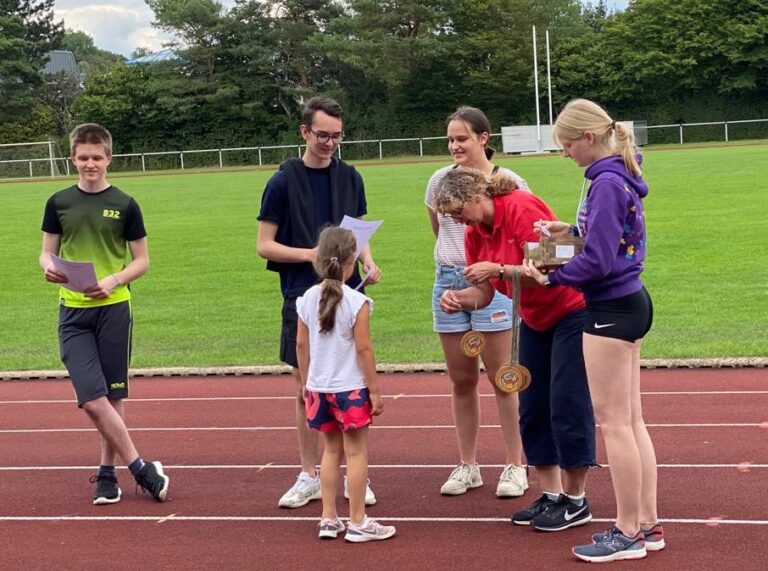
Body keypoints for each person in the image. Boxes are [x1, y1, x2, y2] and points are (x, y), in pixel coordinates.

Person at [523, 98, 659, 562]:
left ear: (586, 138)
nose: (564, 153)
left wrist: (551, 275)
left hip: (609, 309)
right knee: (632, 421)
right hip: (631, 300)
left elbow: (598, 260)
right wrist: (570, 229)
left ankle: (626, 532)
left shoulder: (604, 182)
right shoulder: (618, 176)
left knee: (616, 424)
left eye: (565, 144)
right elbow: (608, 243)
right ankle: (647, 524)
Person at [434, 167, 596, 532]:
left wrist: (501, 268)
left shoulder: (520, 207)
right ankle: (552, 494)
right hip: (534, 318)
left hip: (571, 310)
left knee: (566, 402)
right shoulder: (475, 234)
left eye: (459, 211)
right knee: (533, 406)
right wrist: (460, 299)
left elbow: (562, 255)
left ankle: (576, 500)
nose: (458, 220)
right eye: (451, 216)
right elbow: (486, 293)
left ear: (478, 196)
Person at [257, 96, 381, 508]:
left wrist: (367, 261)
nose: (330, 143)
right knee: (305, 386)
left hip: (350, 295)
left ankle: (353, 473)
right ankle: (310, 474)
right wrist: (311, 256)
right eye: (323, 135)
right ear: (304, 131)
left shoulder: (351, 177)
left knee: (354, 383)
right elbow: (265, 245)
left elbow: (358, 232)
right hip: (302, 295)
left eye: (337, 136)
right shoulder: (281, 181)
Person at [39, 123, 169, 505]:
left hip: (114, 309)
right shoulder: (58, 202)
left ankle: (107, 475)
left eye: (97, 157)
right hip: (73, 311)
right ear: (72, 159)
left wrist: (113, 280)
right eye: (83, 158)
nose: (90, 164)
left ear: (109, 158)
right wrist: (47, 266)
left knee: (112, 396)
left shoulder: (126, 204)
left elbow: (142, 261)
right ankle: (141, 468)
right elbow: (46, 251)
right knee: (91, 397)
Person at [424, 106, 529, 498]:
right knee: (462, 380)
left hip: (495, 280)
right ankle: (468, 465)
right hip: (449, 279)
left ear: (484, 138)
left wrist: (496, 269)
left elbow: (525, 234)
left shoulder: (509, 181)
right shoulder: (438, 181)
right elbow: (439, 227)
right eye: (450, 139)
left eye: (462, 138)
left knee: (503, 378)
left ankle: (515, 464)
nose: (455, 146)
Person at [296, 226, 396, 542]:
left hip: (318, 388)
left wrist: (306, 380)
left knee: (330, 452)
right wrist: (375, 391)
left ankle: (328, 518)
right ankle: (358, 520)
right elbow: (364, 349)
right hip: (350, 388)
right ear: (352, 261)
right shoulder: (357, 302)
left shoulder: (307, 299)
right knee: (356, 454)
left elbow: (301, 345)